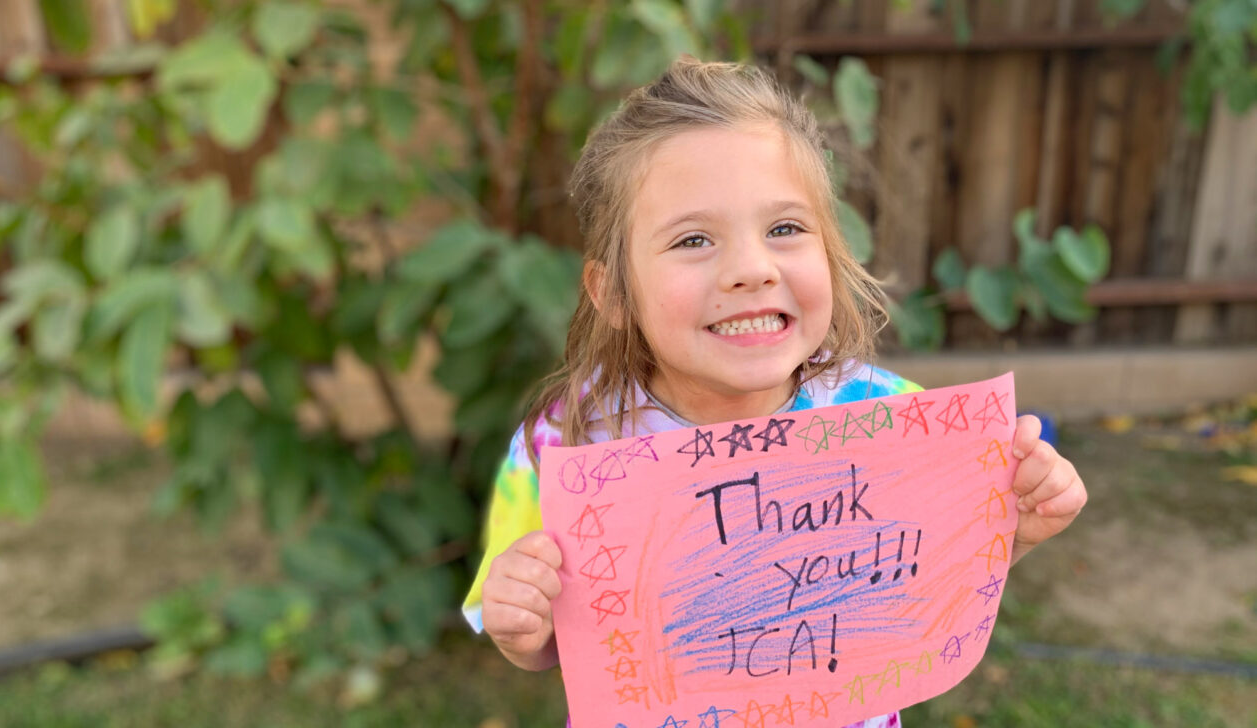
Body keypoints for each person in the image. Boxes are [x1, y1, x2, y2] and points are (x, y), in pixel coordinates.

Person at [460, 57, 1087, 727]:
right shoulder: (565, 444)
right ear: (612, 292)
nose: (751, 270)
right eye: (694, 239)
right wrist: (518, 627)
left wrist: (1009, 532)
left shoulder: (886, 418)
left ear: (832, 250)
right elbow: (545, 638)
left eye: (785, 229)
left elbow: (931, 578)